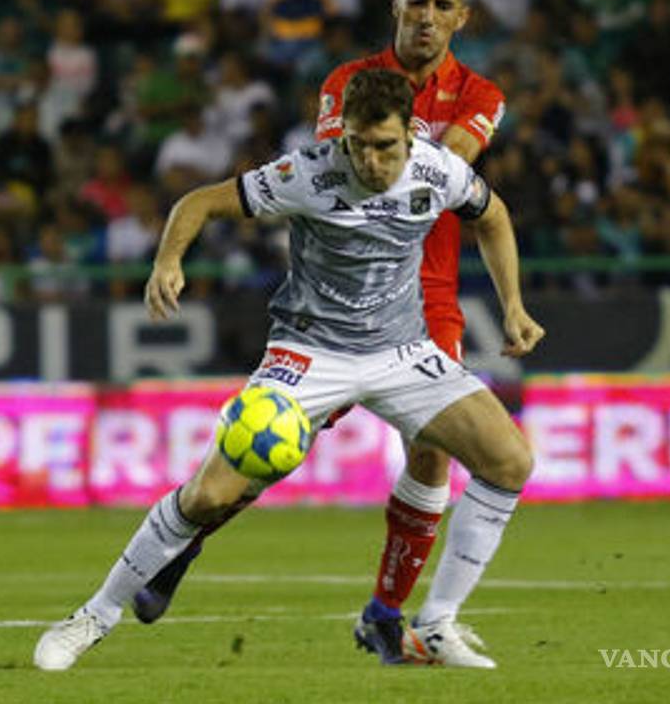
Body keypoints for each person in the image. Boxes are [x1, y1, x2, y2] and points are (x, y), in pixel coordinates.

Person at [33, 68, 544, 671]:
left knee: (511, 460)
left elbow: (493, 215)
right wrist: (168, 261)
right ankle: (93, 615)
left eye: (385, 146)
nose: (371, 161)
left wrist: (513, 303)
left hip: (402, 353)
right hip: (310, 354)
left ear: (412, 133)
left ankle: (434, 626)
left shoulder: (440, 169)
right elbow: (199, 202)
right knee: (209, 495)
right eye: (358, 145)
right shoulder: (309, 172)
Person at [132, 0, 507, 665]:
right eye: (416, 2)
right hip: (337, 301)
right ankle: (184, 541)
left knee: (434, 454)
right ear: (394, 5)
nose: (426, 15)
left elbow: (447, 168)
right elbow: (350, 162)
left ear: (462, 17)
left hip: (427, 293)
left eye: (442, 5)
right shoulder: (346, 82)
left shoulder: (481, 93)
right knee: (270, 450)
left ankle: (386, 612)